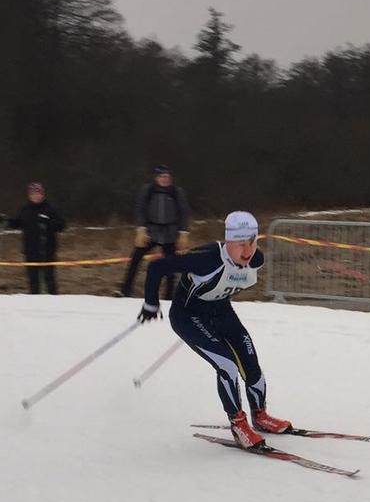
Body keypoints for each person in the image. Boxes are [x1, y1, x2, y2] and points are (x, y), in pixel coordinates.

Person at [136, 211, 291, 449]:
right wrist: (150, 302)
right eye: (241, 244)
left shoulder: (256, 259)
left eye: (252, 242)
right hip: (188, 317)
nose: (248, 251)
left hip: (220, 312)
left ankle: (260, 416)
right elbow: (157, 267)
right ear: (228, 241)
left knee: (250, 362)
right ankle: (239, 425)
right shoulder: (205, 258)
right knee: (227, 365)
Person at [118, 164, 190, 298]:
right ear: (156, 178)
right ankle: (125, 290)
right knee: (135, 260)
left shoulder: (176, 191)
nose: (165, 179)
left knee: (170, 266)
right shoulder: (148, 190)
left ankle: (169, 295)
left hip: (170, 233)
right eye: (162, 177)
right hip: (150, 232)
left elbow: (183, 212)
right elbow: (140, 209)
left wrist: (183, 232)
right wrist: (141, 228)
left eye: (167, 177)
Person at [0, 182, 66, 294]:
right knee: (33, 282)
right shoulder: (25, 209)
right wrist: (6, 221)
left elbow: (62, 225)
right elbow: (18, 223)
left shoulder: (50, 209)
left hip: (47, 251)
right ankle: (35, 305)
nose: (36, 196)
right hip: (30, 252)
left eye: (38, 193)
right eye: (33, 194)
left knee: (49, 281)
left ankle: (53, 304)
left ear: (42, 194)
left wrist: (48, 223)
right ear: (29, 195)